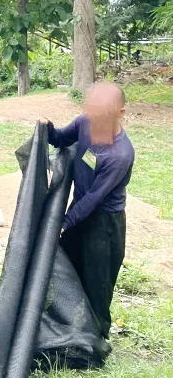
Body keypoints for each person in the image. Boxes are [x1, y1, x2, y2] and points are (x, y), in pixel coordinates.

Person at [42, 82, 134, 338]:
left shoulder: (119, 154)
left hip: (105, 224)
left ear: (120, 113)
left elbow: (94, 198)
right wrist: (47, 128)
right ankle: (68, 327)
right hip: (79, 211)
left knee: (97, 284)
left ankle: (96, 339)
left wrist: (64, 223)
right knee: (68, 268)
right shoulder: (84, 122)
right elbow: (60, 138)